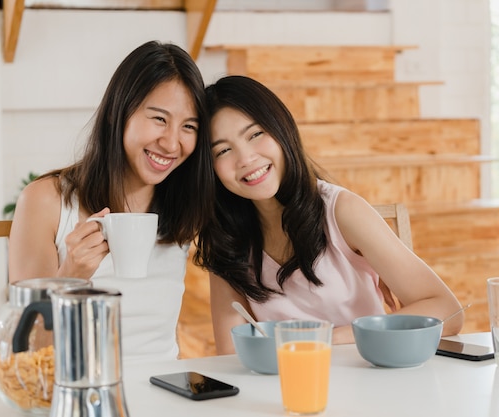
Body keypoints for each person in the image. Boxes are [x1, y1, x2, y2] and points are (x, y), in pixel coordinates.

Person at [195, 75, 465, 355]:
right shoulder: (226, 240)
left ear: (281, 130)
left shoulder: (341, 211)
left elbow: (447, 311)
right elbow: (229, 355)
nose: (245, 158)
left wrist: (325, 340)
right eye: (223, 150)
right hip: (288, 391)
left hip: (370, 381)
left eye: (255, 134)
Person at [8, 40, 215, 361]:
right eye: (159, 119)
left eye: (188, 126)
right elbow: (25, 344)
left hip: (162, 392)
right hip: (78, 391)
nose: (172, 142)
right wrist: (71, 275)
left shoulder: (183, 209)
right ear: (118, 112)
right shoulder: (46, 200)